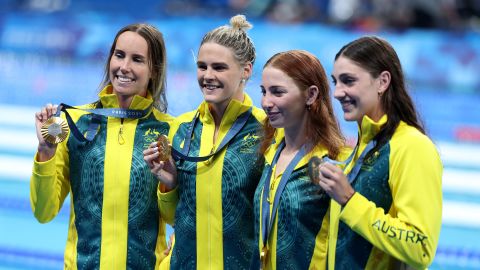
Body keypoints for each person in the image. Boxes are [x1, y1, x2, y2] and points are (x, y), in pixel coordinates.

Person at [30, 23, 174, 269]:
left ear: (154, 70)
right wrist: (46, 152)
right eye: (119, 55)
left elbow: (180, 217)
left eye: (137, 59)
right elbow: (44, 212)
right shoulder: (75, 123)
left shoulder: (169, 131)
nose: (124, 67)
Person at [143, 15, 265, 269]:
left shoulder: (268, 130)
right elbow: (174, 216)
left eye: (219, 67)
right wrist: (170, 185)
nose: (207, 76)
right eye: (202, 66)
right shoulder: (182, 128)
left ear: (246, 70)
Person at [317, 36, 443, 269]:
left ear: (383, 82)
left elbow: (421, 247)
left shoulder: (413, 147)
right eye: (336, 82)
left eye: (348, 81)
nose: (337, 92)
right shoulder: (364, 146)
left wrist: (349, 200)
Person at [249, 50, 346, 269]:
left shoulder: (334, 161)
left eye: (277, 92)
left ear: (311, 95)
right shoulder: (268, 153)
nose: (266, 102)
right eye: (264, 91)